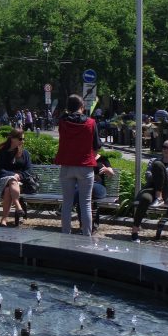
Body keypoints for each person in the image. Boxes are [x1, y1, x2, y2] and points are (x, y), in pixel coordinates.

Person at [54, 94, 100, 236]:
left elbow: (62, 115)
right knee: (85, 203)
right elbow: (97, 145)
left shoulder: (63, 122)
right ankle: (86, 235)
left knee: (67, 202)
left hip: (67, 166)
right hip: (85, 166)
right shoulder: (91, 123)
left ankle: (65, 234)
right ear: (83, 107)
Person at [131, 140, 168, 241]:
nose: (166, 149)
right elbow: (148, 176)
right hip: (151, 188)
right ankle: (135, 230)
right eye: (164, 147)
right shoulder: (153, 160)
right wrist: (165, 175)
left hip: (166, 191)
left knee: (159, 165)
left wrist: (161, 175)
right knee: (145, 199)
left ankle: (159, 197)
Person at [0, 128, 33, 226]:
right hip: (4, 181)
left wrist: (19, 175)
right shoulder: (3, 152)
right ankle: (18, 206)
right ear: (12, 139)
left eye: (23, 139)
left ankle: (4, 219)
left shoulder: (25, 153)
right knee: (11, 181)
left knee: (9, 188)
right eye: (20, 139)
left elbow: (28, 170)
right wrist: (11, 175)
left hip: (22, 183)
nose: (22, 141)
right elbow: (0, 169)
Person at [72, 153, 114, 231]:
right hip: (83, 187)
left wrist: (107, 170)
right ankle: (84, 226)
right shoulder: (83, 158)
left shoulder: (103, 159)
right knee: (81, 194)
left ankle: (68, 206)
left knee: (84, 188)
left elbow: (111, 174)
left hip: (98, 187)